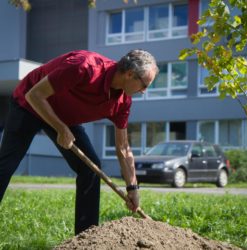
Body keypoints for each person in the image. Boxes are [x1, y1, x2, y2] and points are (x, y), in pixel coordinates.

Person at [0, 49, 159, 235]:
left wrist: (132, 187)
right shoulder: (84, 67)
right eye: (145, 84)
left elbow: (123, 148)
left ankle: (86, 238)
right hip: (28, 105)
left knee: (90, 169)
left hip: (64, 116)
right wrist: (60, 128)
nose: (144, 90)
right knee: (6, 165)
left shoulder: (122, 102)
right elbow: (34, 95)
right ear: (130, 74)